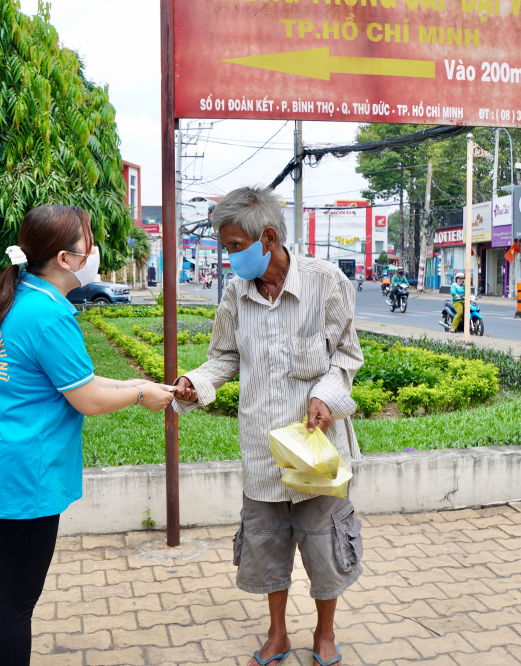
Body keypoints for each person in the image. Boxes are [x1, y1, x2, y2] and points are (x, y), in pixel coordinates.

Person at [0, 205, 174, 666]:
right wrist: (140, 395)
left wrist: (139, 386)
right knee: (16, 604)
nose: (94, 251)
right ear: (65, 258)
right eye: (88, 243)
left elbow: (80, 383)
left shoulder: (20, 298)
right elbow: (89, 400)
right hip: (26, 476)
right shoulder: (49, 314)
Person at [172, 187, 364, 666]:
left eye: (235, 246)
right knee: (265, 547)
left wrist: (323, 396)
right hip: (261, 452)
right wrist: (194, 382)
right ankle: (277, 634)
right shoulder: (237, 293)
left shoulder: (326, 283)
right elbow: (224, 356)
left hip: (315, 451)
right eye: (227, 248)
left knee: (324, 546)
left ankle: (324, 633)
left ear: (269, 237)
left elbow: (345, 357)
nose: (229, 257)